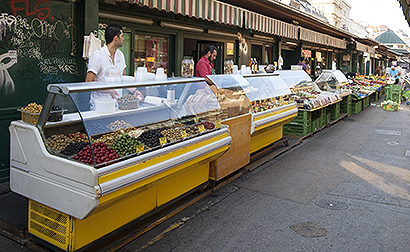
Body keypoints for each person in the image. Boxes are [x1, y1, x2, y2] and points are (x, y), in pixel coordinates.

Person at [86, 24, 143, 108]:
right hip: (100, 106)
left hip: (117, 105)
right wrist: (109, 90)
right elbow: (88, 82)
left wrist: (134, 90)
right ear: (116, 38)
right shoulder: (97, 56)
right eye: (122, 36)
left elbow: (122, 78)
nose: (123, 39)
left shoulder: (120, 55)